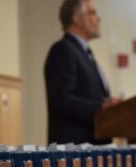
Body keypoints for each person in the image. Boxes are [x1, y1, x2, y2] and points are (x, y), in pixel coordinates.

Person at [44, 0, 121, 145]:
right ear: (77, 19)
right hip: (74, 149)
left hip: (93, 145)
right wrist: (101, 107)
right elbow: (61, 99)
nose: (98, 18)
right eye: (92, 13)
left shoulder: (84, 53)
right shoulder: (63, 49)